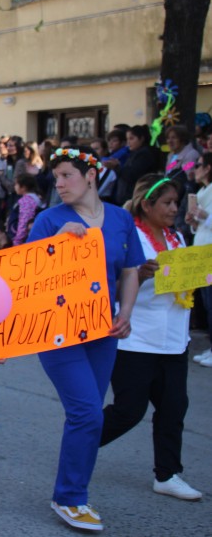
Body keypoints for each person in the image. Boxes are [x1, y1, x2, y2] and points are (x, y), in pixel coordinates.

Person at [27, 146, 143, 532]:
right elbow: (29, 278)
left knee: (88, 416)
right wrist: (57, 242)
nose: (58, 184)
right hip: (57, 331)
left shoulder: (122, 218)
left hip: (102, 331)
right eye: (55, 177)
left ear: (90, 175)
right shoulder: (48, 220)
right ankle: (70, 497)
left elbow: (130, 270)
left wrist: (125, 313)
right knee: (87, 413)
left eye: (66, 176)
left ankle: (74, 490)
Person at [100, 174, 202, 501]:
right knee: (129, 410)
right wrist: (139, 276)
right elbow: (107, 284)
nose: (175, 209)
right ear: (147, 204)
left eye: (176, 203)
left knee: (174, 408)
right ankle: (81, 443)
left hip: (174, 340)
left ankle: (167, 474)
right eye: (167, 203)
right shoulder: (131, 238)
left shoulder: (177, 239)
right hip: (136, 339)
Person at [187, 152, 212, 366]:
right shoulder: (202, 190)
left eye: (200, 165)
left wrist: (205, 216)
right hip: (202, 251)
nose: (195, 169)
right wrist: (193, 221)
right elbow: (201, 227)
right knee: (206, 302)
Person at [114, 125, 160, 206]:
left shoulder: (144, 155)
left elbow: (132, 174)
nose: (128, 142)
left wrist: (116, 166)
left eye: (131, 139)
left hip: (137, 196)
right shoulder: (134, 153)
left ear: (141, 138)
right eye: (127, 139)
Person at [7, 172, 41, 246]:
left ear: (24, 187)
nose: (15, 186)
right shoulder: (31, 199)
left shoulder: (27, 201)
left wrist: (17, 241)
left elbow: (24, 221)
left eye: (16, 184)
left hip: (23, 242)